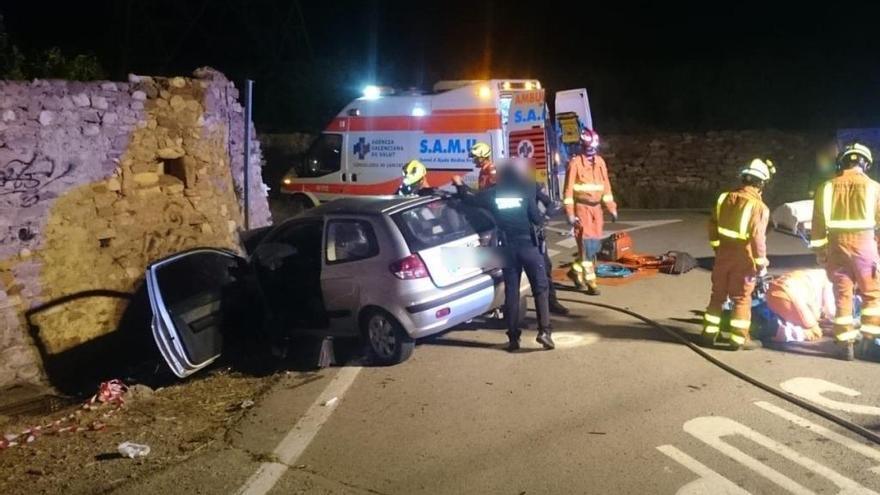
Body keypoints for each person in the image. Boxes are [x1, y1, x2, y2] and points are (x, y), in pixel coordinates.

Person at [452, 159, 554, 351]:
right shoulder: (525, 190)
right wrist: (542, 221)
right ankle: (544, 332)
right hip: (529, 247)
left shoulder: (493, 194)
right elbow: (535, 217)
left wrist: (459, 185)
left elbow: (470, 199)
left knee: (512, 294)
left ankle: (514, 338)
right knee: (540, 289)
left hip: (507, 248)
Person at [460, 141, 569, 315]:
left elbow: (547, 204)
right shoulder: (488, 173)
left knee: (541, 272)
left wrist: (544, 218)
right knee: (518, 276)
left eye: (475, 158)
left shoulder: (499, 175)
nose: (474, 161)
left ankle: (550, 303)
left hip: (530, 234)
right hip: (514, 232)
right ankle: (520, 312)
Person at [809, 143, 880, 361]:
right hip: (864, 244)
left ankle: (845, 344)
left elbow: (818, 224)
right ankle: (870, 341)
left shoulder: (826, 187)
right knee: (872, 294)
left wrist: (821, 251)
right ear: (865, 163)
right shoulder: (875, 188)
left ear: (843, 162)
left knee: (842, 294)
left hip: (836, 245)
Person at [702, 158, 773, 350]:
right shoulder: (759, 207)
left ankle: (709, 333)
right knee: (741, 298)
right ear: (760, 184)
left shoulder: (724, 198)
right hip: (744, 259)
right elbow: (758, 239)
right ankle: (739, 339)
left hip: (723, 254)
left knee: (717, 296)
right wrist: (761, 264)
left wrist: (718, 248)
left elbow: (712, 226)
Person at [563, 128, 617, 296]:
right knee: (586, 248)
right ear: (583, 146)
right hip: (582, 209)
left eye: (594, 147)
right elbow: (568, 192)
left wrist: (612, 208)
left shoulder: (600, 162)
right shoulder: (575, 163)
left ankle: (575, 270)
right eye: (589, 147)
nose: (592, 150)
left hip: (596, 210)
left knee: (594, 247)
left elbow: (606, 187)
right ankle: (591, 282)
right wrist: (570, 214)